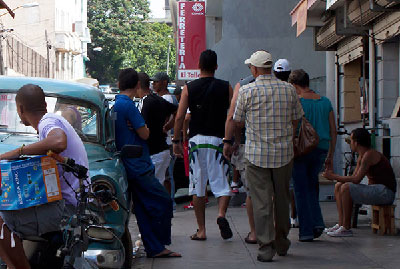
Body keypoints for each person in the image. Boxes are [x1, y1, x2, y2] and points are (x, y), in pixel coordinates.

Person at [0, 84, 88, 269]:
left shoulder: (47, 123)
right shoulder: (50, 120)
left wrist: (19, 151)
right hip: (67, 202)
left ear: (20, 109)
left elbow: (58, 141)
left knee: (1, 221)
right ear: (45, 105)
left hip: (66, 208)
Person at [230, 50, 303, 262]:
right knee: (282, 199)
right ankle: (282, 242)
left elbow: (238, 120)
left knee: (262, 202)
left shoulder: (247, 91)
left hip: (256, 155)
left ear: (254, 69)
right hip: (283, 153)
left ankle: (265, 247)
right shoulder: (289, 89)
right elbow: (297, 118)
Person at [114, 68, 181, 258]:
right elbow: (145, 133)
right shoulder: (128, 106)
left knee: (143, 208)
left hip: (130, 163)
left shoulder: (115, 105)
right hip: (138, 164)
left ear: (119, 85)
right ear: (136, 86)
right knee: (163, 201)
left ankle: (155, 247)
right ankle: (160, 242)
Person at [173, 49, 234, 241]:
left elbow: (180, 116)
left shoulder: (189, 88)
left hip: (196, 142)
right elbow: (232, 116)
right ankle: (221, 214)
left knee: (197, 186)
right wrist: (230, 140)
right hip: (218, 140)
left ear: (198, 66)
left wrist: (176, 140)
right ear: (216, 67)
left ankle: (201, 230)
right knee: (223, 183)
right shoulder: (227, 87)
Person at [288, 69, 337, 242]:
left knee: (300, 189)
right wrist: (331, 153)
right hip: (322, 148)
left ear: (294, 85)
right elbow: (333, 129)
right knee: (312, 186)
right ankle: (317, 223)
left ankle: (306, 230)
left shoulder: (297, 102)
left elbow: (292, 126)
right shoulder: (325, 102)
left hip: (302, 149)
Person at [323, 128, 396, 237]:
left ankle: (346, 228)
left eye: (351, 140)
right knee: (339, 185)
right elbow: (353, 177)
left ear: (356, 143)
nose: (350, 143)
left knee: (346, 188)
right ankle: (341, 224)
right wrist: (336, 178)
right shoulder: (362, 155)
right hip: (377, 190)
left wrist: (333, 176)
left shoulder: (369, 155)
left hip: (385, 192)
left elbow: (356, 179)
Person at [224, 75, 257, 244]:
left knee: (252, 192)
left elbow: (235, 120)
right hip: (277, 150)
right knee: (274, 193)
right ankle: (276, 231)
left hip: (249, 148)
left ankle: (254, 232)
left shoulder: (243, 89)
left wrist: (230, 141)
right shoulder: (285, 90)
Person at [136, 72, 178, 188]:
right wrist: (167, 126)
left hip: (154, 152)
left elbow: (142, 128)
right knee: (160, 184)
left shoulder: (147, 102)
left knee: (154, 187)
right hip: (162, 150)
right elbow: (177, 111)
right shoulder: (156, 99)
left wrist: (168, 126)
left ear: (137, 85)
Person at [273, 59, 298, 228]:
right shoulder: (292, 91)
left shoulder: (271, 91)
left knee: (272, 188)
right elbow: (297, 119)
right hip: (288, 146)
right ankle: (292, 216)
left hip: (268, 148)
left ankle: (274, 220)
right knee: (290, 184)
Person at [151, 72, 178, 199]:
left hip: (166, 142)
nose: (154, 84)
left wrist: (165, 127)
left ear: (164, 83)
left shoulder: (166, 99)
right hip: (166, 142)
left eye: (156, 82)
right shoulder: (167, 98)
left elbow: (171, 117)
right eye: (153, 82)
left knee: (166, 176)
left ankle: (169, 203)